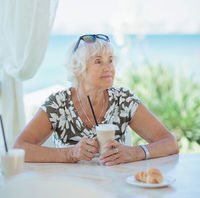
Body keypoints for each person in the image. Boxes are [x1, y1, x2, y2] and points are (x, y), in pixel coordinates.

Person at [14, 34, 179, 165]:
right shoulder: (58, 104)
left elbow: (169, 143)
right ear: (78, 69)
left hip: (115, 189)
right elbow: (20, 148)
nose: (108, 67)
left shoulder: (124, 100)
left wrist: (133, 153)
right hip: (69, 191)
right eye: (98, 61)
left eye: (111, 60)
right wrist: (70, 153)